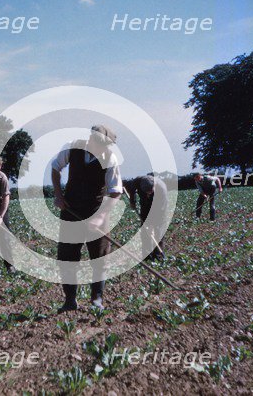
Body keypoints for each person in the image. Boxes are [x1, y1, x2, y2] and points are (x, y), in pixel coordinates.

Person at [51, 125, 122, 312]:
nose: (102, 150)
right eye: (100, 145)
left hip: (97, 211)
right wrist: (58, 195)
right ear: (91, 140)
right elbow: (55, 168)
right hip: (71, 210)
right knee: (67, 257)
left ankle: (97, 299)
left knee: (99, 258)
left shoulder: (110, 158)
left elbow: (115, 192)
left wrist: (99, 218)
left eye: (105, 147)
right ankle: (70, 300)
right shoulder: (72, 148)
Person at [124, 174, 168, 260]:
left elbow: (160, 210)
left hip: (159, 208)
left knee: (158, 230)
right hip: (145, 204)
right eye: (146, 192)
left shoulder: (161, 188)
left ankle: (158, 255)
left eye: (150, 192)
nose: (148, 194)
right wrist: (132, 202)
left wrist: (152, 224)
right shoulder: (137, 181)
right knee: (144, 231)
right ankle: (147, 255)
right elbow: (132, 191)